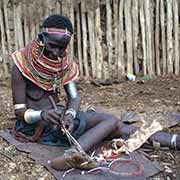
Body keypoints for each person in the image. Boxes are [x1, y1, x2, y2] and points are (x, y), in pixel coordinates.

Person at [11, 14, 180, 171]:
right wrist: (43, 114)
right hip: (36, 125)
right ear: (42, 38)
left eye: (61, 48)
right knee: (111, 121)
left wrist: (69, 114)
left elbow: (74, 98)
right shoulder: (22, 64)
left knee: (115, 128)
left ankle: (173, 141)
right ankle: (71, 154)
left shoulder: (63, 64)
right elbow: (19, 112)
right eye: (53, 46)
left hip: (61, 121)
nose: (56, 53)